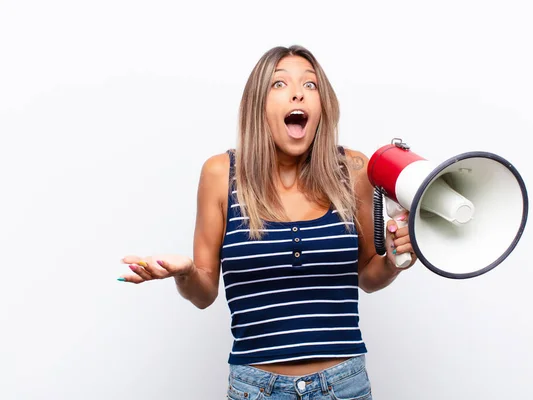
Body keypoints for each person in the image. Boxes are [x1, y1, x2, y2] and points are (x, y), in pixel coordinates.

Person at [118, 45, 416, 399]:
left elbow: (368, 275)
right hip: (256, 389)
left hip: (344, 385)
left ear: (323, 106)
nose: (297, 92)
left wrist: (397, 260)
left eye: (311, 85)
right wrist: (184, 273)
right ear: (258, 105)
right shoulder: (220, 174)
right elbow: (204, 294)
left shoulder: (352, 170)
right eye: (279, 84)